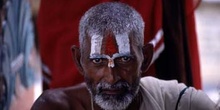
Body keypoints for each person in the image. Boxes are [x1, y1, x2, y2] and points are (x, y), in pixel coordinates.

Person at [31, 2, 218, 110]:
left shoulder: (175, 98)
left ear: (145, 57)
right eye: (98, 61)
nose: (111, 78)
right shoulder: (54, 105)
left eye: (124, 59)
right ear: (78, 60)